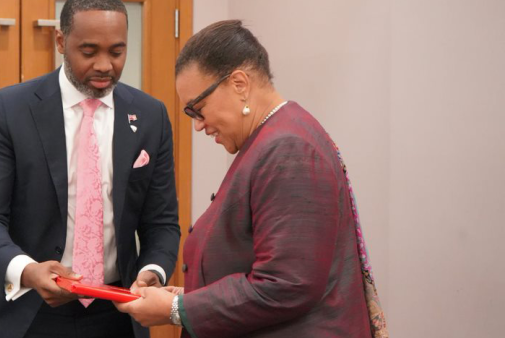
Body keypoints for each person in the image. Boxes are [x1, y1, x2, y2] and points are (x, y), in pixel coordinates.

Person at [115, 20, 388, 338]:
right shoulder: (274, 137)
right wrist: (188, 299)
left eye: (198, 109)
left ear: (239, 84)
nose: (198, 125)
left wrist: (177, 310)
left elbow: (287, 284)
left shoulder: (288, 149)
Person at [0, 0, 181, 338]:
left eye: (117, 52)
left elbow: (162, 222)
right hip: (24, 311)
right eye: (89, 51)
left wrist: (152, 272)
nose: (105, 65)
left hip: (117, 313)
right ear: (61, 41)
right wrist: (28, 270)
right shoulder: (9, 110)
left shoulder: (150, 116)